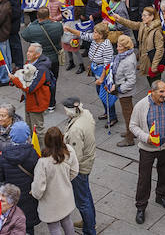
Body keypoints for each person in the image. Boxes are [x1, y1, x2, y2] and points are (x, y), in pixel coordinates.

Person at [130, 78, 165, 223]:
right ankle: (141, 207)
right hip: (147, 149)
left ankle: (161, 196)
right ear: (153, 92)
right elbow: (133, 126)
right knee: (144, 178)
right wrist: (146, 137)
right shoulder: (141, 105)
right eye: (161, 91)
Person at [31, 126, 80, 235]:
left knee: (54, 228)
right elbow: (75, 171)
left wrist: (35, 194)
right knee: (67, 221)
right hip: (65, 196)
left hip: (50, 201)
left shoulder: (43, 163)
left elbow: (38, 189)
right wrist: (66, 180)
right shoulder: (69, 151)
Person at [60, 96, 98, 235]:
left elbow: (75, 156)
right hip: (89, 159)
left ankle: (89, 230)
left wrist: (68, 171)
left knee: (82, 201)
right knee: (86, 194)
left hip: (80, 167)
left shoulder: (75, 129)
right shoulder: (86, 113)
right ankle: (90, 222)